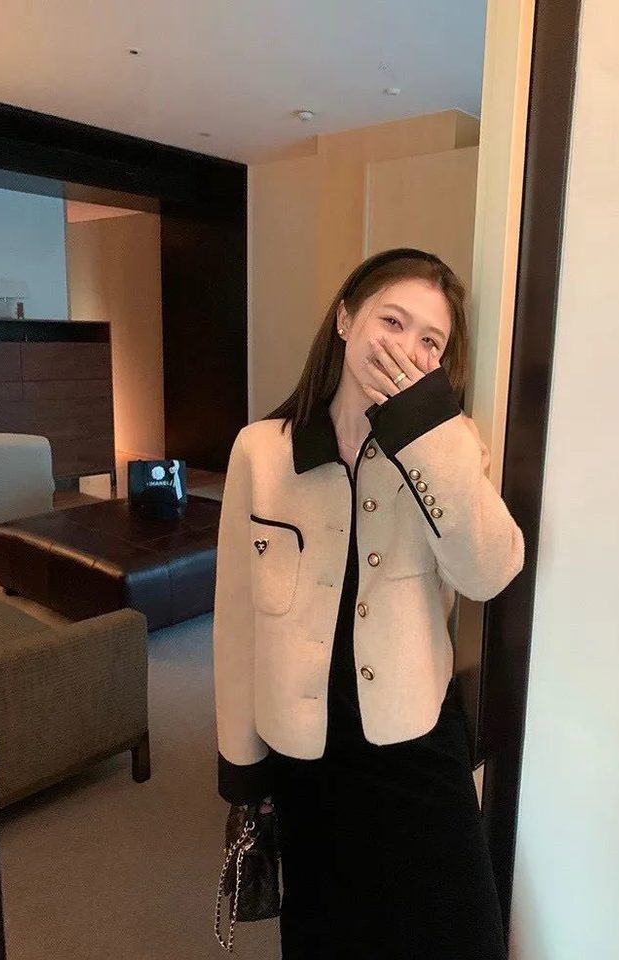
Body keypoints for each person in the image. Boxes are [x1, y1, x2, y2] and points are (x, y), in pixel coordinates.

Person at [213, 247, 525, 959]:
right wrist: (242, 766)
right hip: (306, 756)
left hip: (416, 741)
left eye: (431, 341)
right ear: (346, 318)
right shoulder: (261, 452)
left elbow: (489, 571)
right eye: (393, 321)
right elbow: (236, 623)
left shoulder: (451, 447)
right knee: (327, 936)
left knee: (462, 934)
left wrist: (426, 428)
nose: (408, 349)